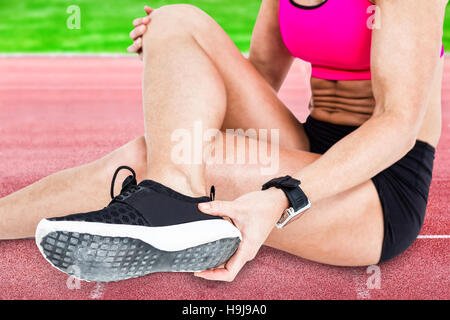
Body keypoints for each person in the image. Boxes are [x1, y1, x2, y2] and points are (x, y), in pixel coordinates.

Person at [0, 0, 447, 282]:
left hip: (379, 185)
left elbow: (398, 123)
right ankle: (168, 200)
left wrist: (283, 197)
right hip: (308, 145)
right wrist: (174, 62)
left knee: (152, 157)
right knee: (177, 21)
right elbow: (260, 77)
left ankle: (166, 203)